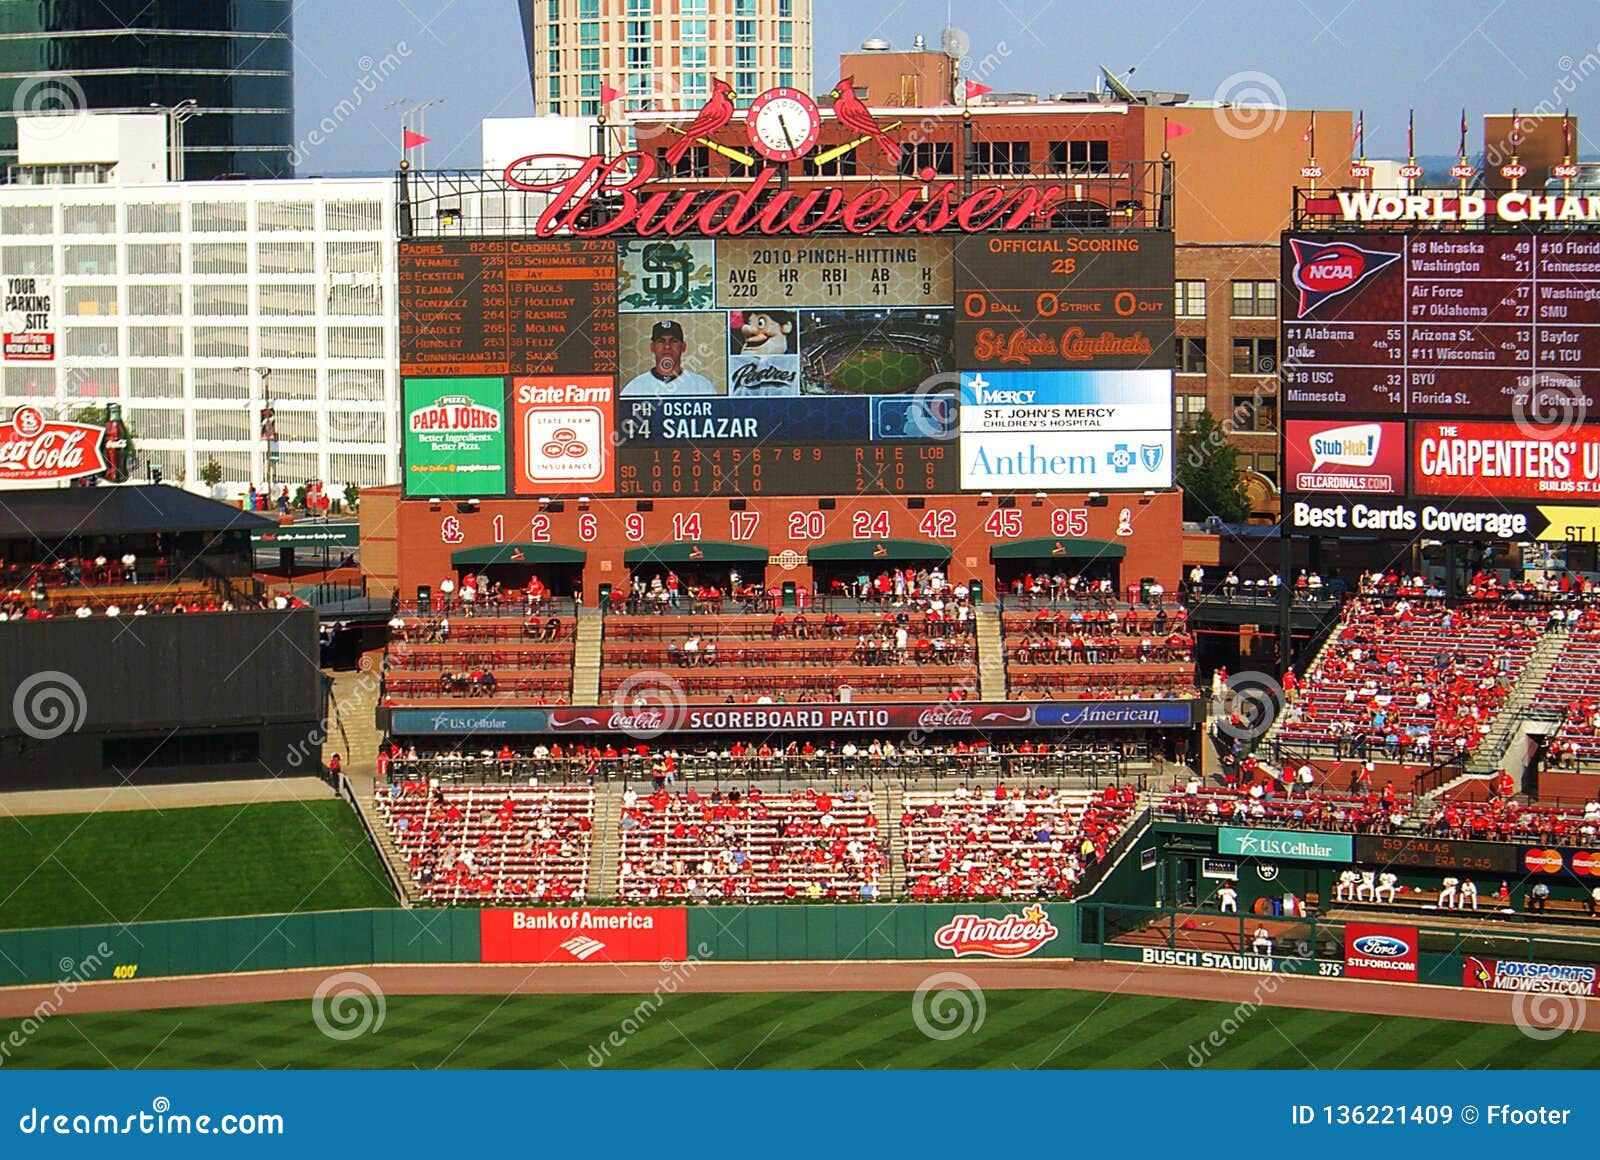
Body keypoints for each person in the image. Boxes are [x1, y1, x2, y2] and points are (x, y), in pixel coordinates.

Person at [621, 320, 717, 397]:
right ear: (652, 347)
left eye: (673, 341)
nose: (667, 346)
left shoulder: (701, 386)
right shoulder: (635, 387)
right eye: (661, 341)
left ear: (683, 347)